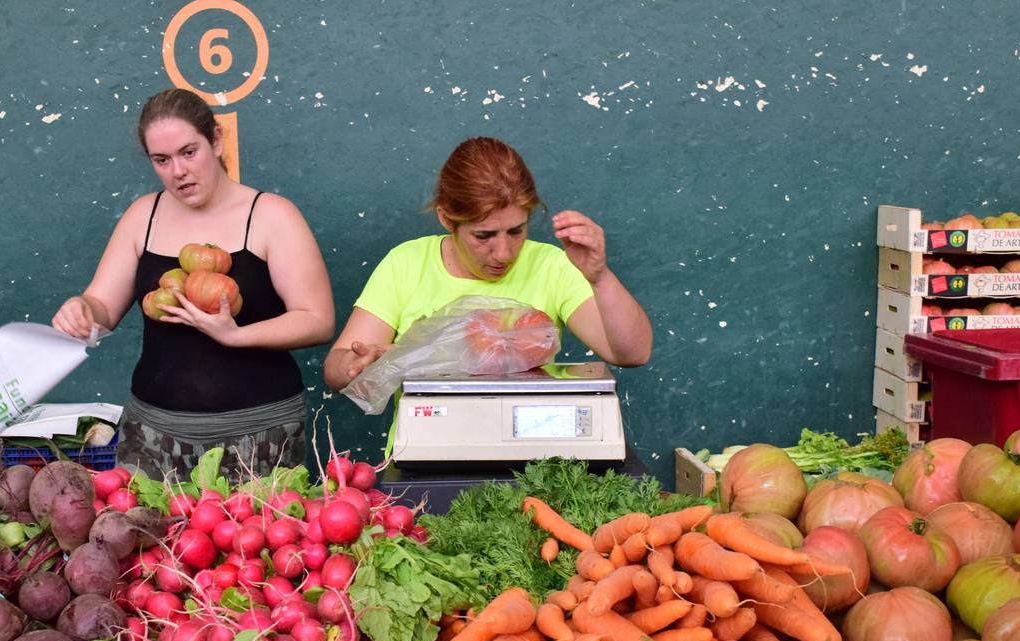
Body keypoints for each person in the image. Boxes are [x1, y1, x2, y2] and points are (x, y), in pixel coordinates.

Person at [53, 89, 335, 482]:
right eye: (162, 160)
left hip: (259, 432)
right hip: (152, 434)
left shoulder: (271, 216)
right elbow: (102, 306)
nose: (178, 171)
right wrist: (82, 309)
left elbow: (317, 319)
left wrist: (236, 335)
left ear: (216, 141)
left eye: (189, 152)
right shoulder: (142, 216)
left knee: (255, 543)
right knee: (144, 542)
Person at [323, 136, 651, 430]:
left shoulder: (550, 265)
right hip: (427, 458)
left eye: (516, 231)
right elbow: (336, 368)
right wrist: (366, 363)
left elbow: (632, 353)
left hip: (534, 460)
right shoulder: (407, 263)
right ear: (446, 219)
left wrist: (600, 277)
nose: (504, 253)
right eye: (484, 235)